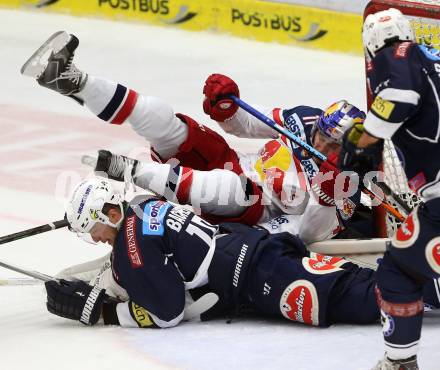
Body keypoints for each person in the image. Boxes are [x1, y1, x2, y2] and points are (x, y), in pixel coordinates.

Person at [22, 31, 367, 245]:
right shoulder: (306, 119)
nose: (319, 144)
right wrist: (227, 109)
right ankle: (72, 80)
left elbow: (307, 236)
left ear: (349, 147)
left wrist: (322, 198)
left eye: (331, 144)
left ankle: (130, 170)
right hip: (235, 162)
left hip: (252, 213)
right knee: (169, 126)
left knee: (234, 191)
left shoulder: (349, 178)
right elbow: (247, 124)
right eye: (319, 135)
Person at [44, 177, 440, 330]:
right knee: (354, 281)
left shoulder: (130, 245)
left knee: (360, 298)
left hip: (258, 277)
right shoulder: (143, 205)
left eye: (93, 229)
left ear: (110, 213)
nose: (95, 239)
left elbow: (168, 314)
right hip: (252, 252)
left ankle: (431, 286)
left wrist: (106, 312)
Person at [340, 8, 440, 370]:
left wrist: (365, 137)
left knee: (399, 270)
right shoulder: (432, 57)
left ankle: (400, 363)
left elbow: (400, 97)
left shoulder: (395, 55)